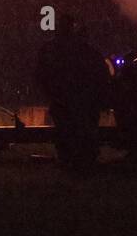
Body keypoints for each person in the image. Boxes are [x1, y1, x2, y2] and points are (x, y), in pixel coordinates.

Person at [35, 14, 110, 170]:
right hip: (81, 99)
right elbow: (100, 73)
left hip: (63, 98)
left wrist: (52, 93)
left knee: (66, 131)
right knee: (82, 132)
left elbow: (41, 74)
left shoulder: (50, 49)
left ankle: (70, 161)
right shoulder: (84, 49)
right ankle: (83, 162)